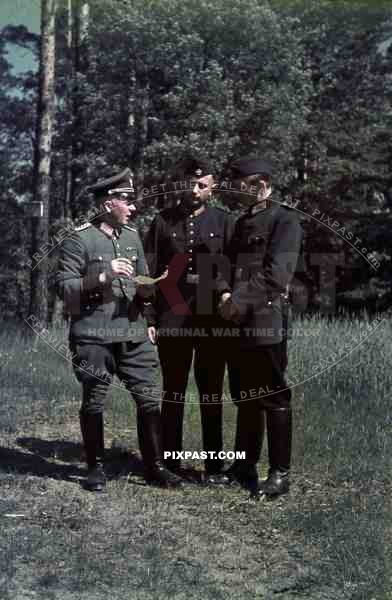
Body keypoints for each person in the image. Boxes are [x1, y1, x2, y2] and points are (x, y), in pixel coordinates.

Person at [56, 168, 182, 491]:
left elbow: (143, 282)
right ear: (108, 203)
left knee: (149, 397)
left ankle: (154, 467)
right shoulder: (78, 239)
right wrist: (102, 276)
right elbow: (64, 288)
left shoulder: (132, 237)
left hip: (133, 331)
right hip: (94, 334)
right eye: (127, 201)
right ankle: (95, 468)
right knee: (95, 398)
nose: (133, 207)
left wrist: (152, 293)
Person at [144, 157, 236, 484]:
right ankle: (171, 462)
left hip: (212, 321)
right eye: (189, 183)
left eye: (202, 185)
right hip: (172, 316)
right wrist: (150, 316)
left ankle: (213, 468)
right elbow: (150, 273)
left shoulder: (226, 222)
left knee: (211, 391)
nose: (194, 189)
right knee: (174, 391)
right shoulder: (162, 221)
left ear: (212, 188)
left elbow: (235, 271)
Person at [218, 156, 303, 498]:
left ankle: (280, 474)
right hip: (236, 320)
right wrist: (225, 293)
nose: (239, 194)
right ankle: (244, 465)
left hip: (266, 319)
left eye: (243, 187)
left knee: (272, 395)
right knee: (243, 396)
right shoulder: (241, 223)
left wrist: (236, 302)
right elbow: (226, 264)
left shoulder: (286, 220)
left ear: (261, 183)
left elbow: (277, 275)